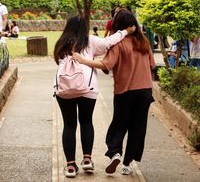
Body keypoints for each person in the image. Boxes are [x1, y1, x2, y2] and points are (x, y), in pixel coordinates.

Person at [73, 9, 156, 176]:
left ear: (118, 25)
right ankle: (127, 164)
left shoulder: (118, 43)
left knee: (118, 125)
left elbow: (106, 64)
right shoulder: (144, 41)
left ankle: (115, 152)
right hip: (145, 91)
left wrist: (84, 61)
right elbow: (152, 65)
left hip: (125, 92)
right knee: (138, 128)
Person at [53, 15, 135, 178]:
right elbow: (108, 42)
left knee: (69, 125)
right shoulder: (90, 41)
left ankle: (70, 166)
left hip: (64, 88)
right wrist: (125, 31)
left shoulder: (61, 43)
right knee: (86, 121)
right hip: (87, 87)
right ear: (85, 27)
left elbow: (58, 61)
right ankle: (87, 160)